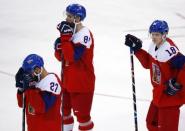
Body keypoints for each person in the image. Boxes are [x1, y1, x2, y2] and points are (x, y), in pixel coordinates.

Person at [124, 20, 185, 131]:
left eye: (157, 34)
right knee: (151, 123)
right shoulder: (154, 46)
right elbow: (148, 64)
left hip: (171, 96)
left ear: (164, 35)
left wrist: (178, 83)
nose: (153, 37)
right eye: (152, 34)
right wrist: (137, 50)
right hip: (159, 93)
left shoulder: (169, 50)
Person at [54, 3, 95, 131]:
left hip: (81, 84)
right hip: (67, 81)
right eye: (66, 15)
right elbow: (62, 57)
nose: (67, 18)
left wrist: (65, 39)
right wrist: (58, 47)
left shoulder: (84, 34)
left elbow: (73, 57)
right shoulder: (70, 32)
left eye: (70, 16)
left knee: (82, 117)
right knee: (64, 112)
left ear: (77, 18)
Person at [15, 54, 62, 131]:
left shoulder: (52, 82)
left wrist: (29, 88)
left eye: (29, 73)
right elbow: (22, 104)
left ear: (37, 69)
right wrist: (21, 88)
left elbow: (41, 108)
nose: (28, 75)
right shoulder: (33, 83)